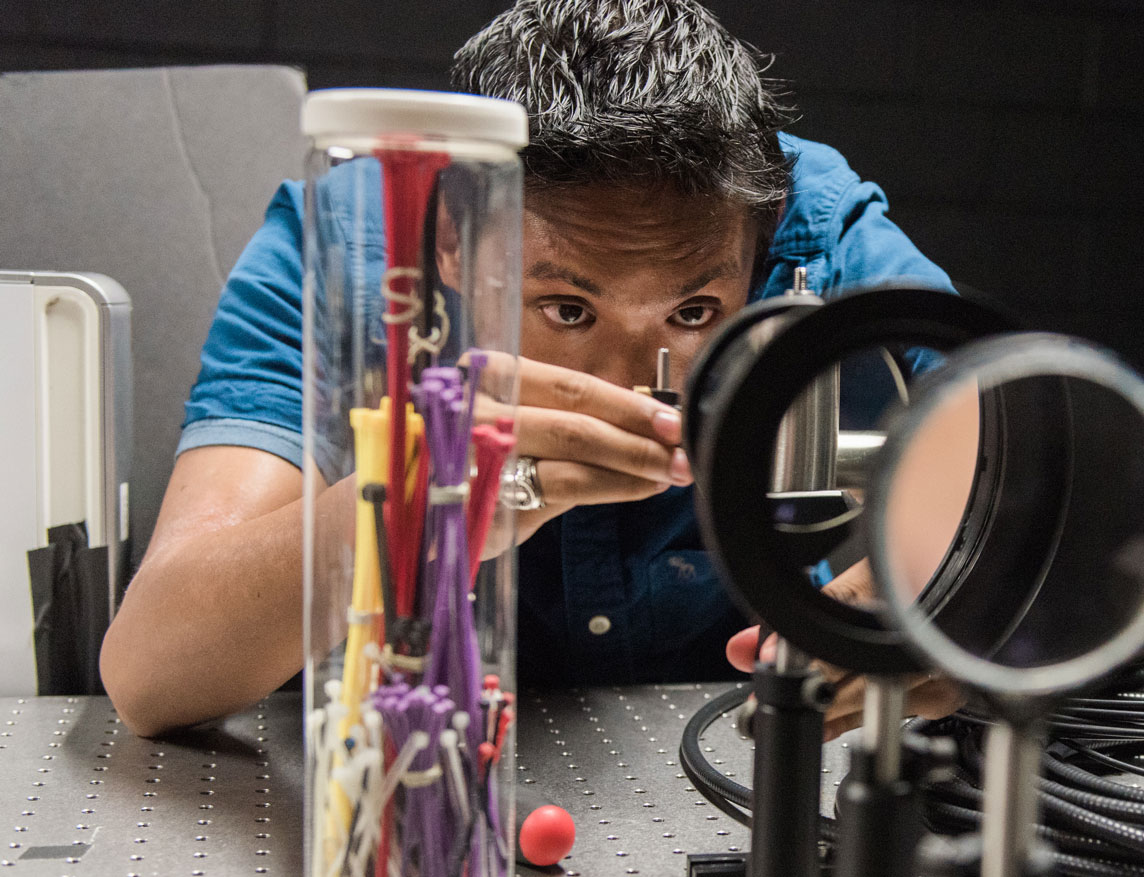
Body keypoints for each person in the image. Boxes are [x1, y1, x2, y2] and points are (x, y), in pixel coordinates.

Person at [99, 0, 976, 736]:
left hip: (738, 747)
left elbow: (1052, 458)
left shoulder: (809, 223)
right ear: (451, 239)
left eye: (694, 312)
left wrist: (953, 604)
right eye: (568, 309)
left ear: (760, 244)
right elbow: (150, 669)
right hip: (406, 766)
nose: (635, 388)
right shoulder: (345, 249)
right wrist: (409, 503)